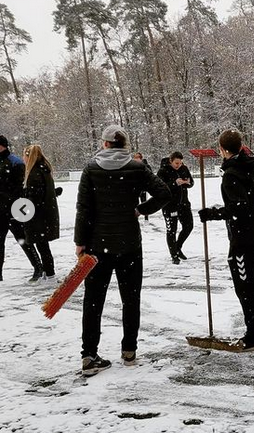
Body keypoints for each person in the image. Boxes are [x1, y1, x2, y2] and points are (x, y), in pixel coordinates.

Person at [75, 125, 171, 376]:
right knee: (131, 298)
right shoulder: (137, 168)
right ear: (125, 145)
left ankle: (89, 354)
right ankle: (129, 349)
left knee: (93, 301)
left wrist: (80, 241)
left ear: (105, 144)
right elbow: (164, 193)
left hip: (98, 245)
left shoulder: (91, 168)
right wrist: (140, 210)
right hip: (129, 244)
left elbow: (83, 208)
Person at [199, 129, 254, 351]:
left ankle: (253, 334)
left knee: (245, 286)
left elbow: (239, 209)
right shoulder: (251, 168)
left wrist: (213, 213)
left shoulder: (232, 174)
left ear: (223, 149)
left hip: (245, 240)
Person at [0, 135, 43, 282]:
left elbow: (21, 187)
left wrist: (11, 202)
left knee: (23, 240)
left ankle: (38, 267)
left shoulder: (15, 162)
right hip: (1, 211)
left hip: (13, 209)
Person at [22, 145, 60, 283]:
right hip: (46, 214)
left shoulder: (34, 173)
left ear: (28, 156)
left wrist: (24, 210)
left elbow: (35, 198)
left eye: (24, 155)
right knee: (43, 246)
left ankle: (49, 274)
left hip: (39, 217)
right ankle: (48, 273)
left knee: (42, 246)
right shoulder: (44, 170)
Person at [157, 151, 194, 264]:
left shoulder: (184, 169)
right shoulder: (163, 171)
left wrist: (188, 183)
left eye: (180, 163)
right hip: (170, 205)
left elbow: (191, 182)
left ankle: (178, 247)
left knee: (188, 226)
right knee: (171, 230)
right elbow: (159, 187)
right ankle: (174, 254)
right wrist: (174, 183)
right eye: (176, 163)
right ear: (171, 161)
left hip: (184, 203)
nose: (179, 165)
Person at [133, 152, 151, 221]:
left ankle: (146, 218)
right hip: (135, 188)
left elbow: (150, 176)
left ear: (141, 158)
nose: (137, 159)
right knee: (135, 203)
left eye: (138, 157)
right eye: (135, 157)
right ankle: (135, 218)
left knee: (144, 202)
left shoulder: (145, 166)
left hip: (143, 188)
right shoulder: (132, 166)